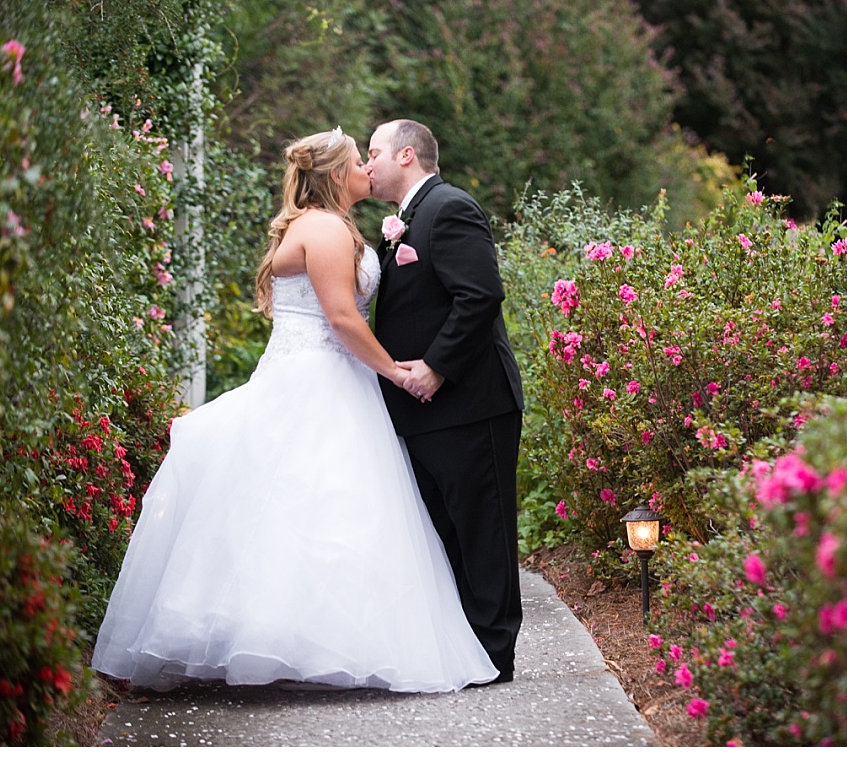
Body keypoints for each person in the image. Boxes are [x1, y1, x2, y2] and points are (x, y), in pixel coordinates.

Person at [90, 127, 499, 693]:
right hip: (320, 376)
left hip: (326, 374)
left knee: (307, 508)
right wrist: (396, 371)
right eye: (360, 160)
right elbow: (342, 318)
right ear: (336, 175)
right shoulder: (327, 228)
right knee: (318, 505)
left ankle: (301, 638)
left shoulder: (328, 225)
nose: (368, 169)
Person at [365, 119, 525, 683]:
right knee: (445, 532)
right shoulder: (407, 219)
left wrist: (435, 368)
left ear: (405, 155)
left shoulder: (449, 208)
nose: (368, 164)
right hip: (424, 410)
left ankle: (494, 654)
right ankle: (465, 650)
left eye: (374, 152)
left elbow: (479, 296)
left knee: (483, 529)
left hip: (469, 401)